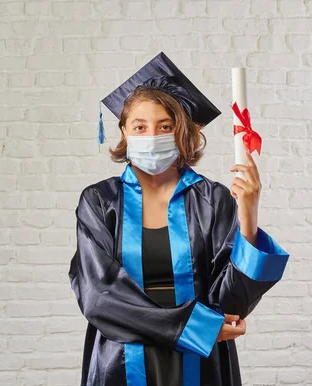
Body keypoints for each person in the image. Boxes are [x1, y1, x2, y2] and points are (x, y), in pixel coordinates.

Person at [68, 52, 289, 386]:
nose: (151, 135)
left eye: (164, 126)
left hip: (200, 362)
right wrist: (195, 327)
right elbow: (100, 297)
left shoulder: (212, 199)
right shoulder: (100, 202)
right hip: (123, 362)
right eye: (139, 127)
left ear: (181, 132)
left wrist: (248, 214)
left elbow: (230, 304)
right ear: (124, 133)